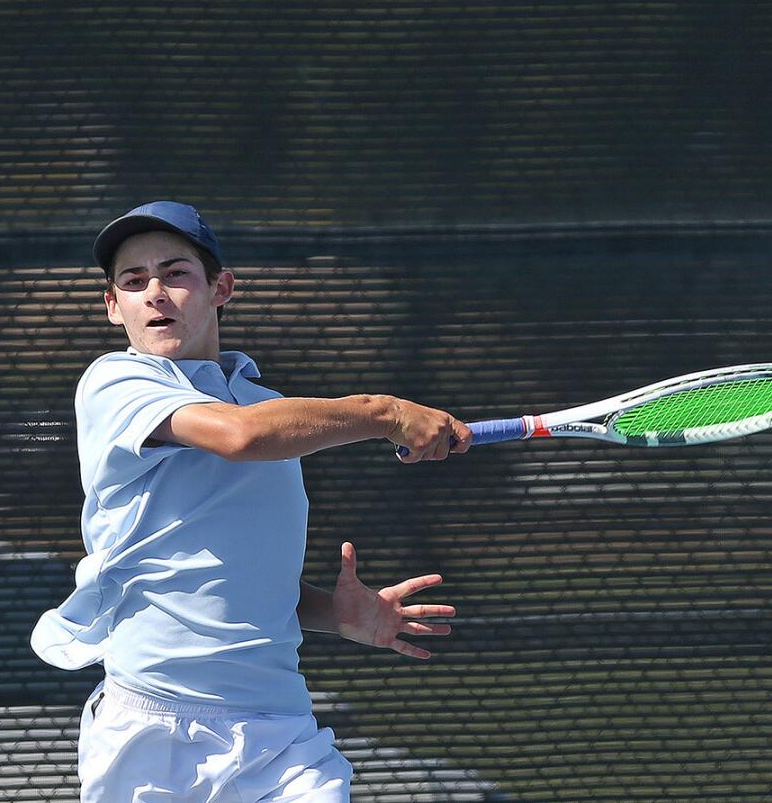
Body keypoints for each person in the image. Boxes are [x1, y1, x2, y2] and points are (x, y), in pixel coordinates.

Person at [30, 201, 473, 802]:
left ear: (221, 288)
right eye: (133, 281)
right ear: (114, 307)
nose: (155, 292)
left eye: (175, 273)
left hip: (279, 730)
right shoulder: (115, 383)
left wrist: (332, 614)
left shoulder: (267, 407)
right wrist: (384, 413)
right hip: (151, 727)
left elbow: (230, 578)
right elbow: (238, 436)